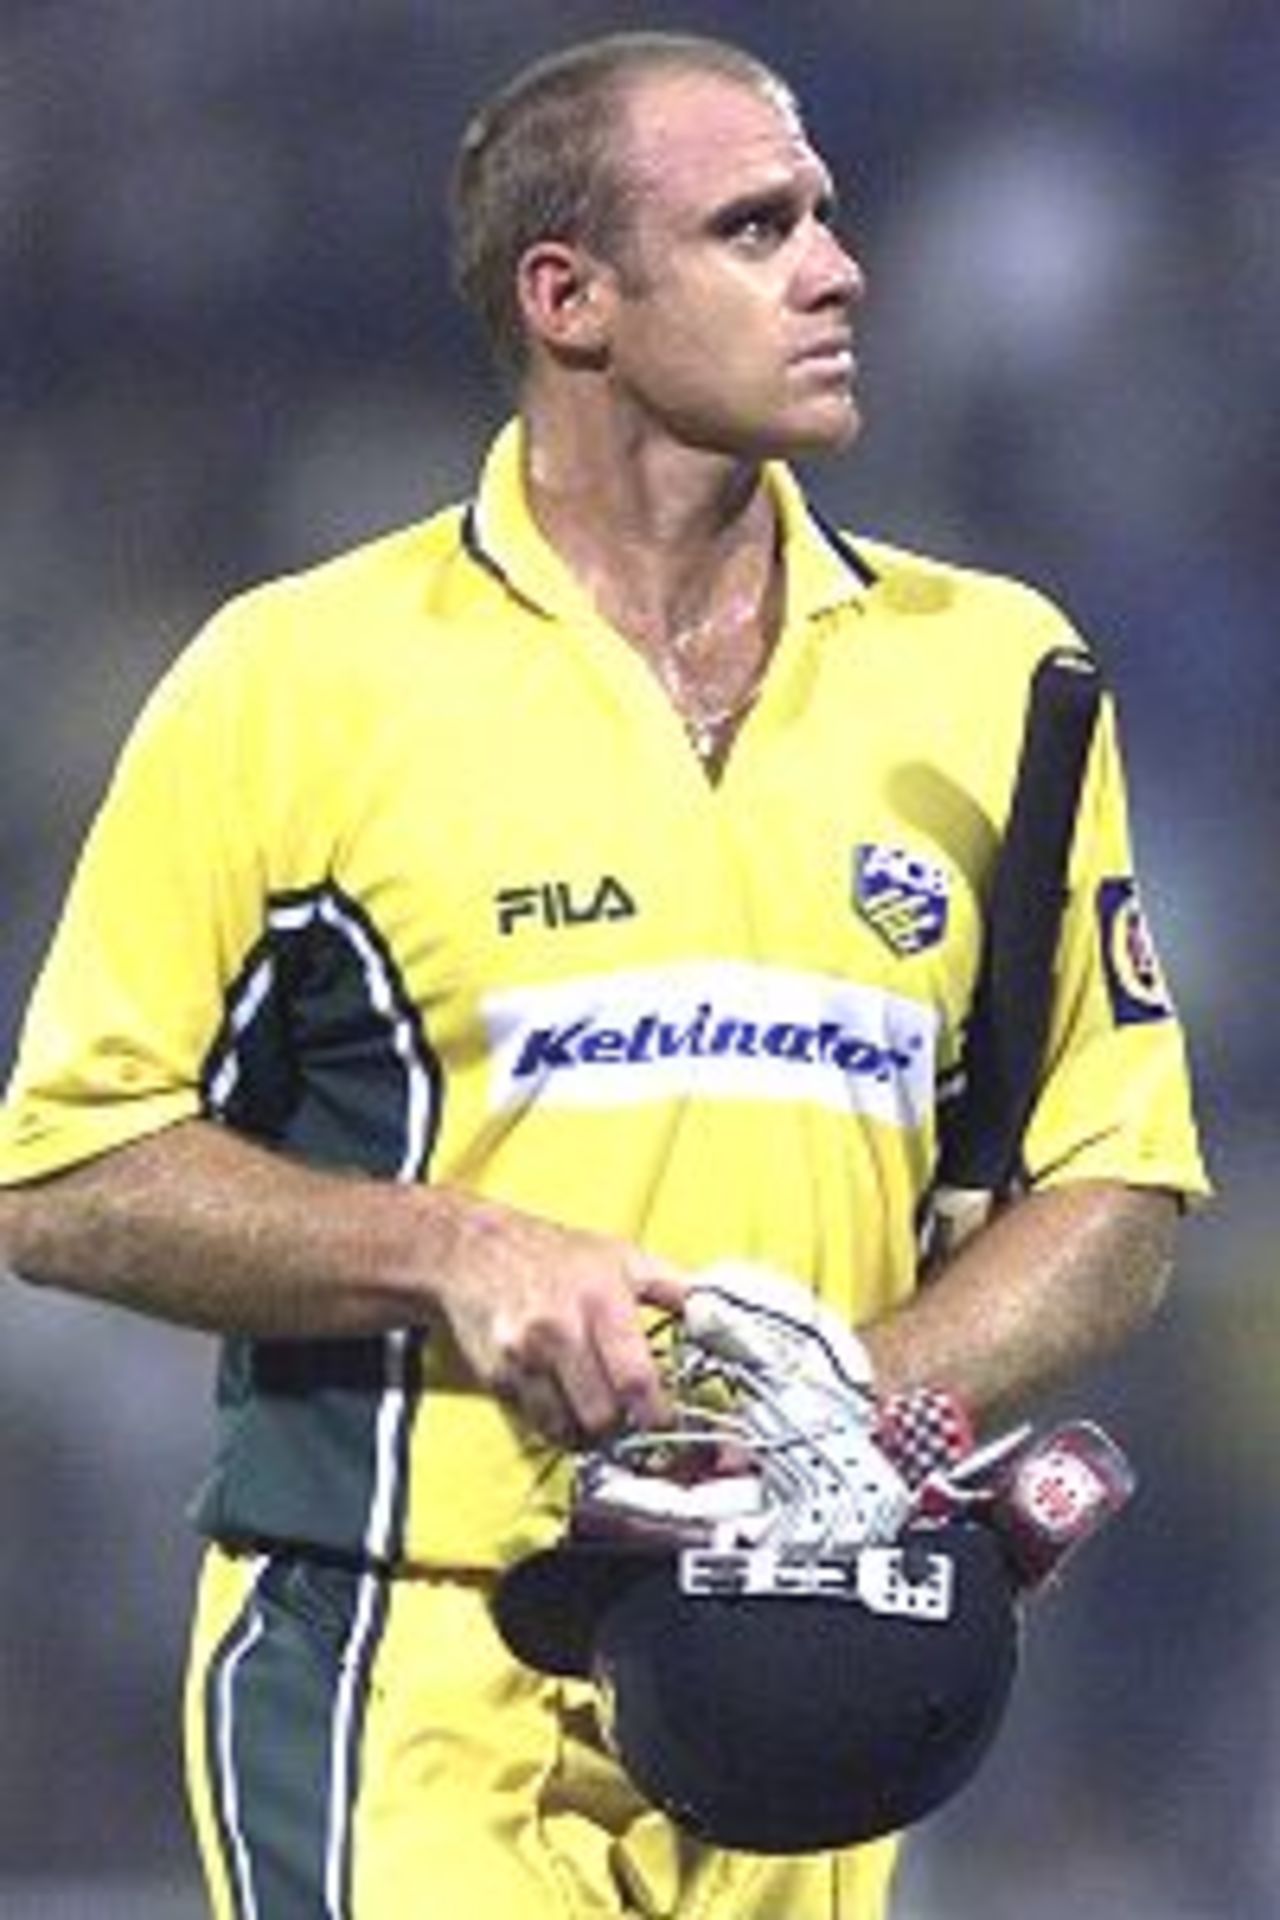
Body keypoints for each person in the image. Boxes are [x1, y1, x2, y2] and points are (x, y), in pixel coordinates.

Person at [0, 29, 1209, 1920]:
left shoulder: (998, 676)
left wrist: (840, 1412)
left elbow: (1120, 1186)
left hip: (796, 1679)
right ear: (570, 299)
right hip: (407, 1663)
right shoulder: (300, 677)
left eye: (825, 216)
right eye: (756, 227)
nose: (839, 267)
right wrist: (457, 1250)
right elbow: (61, 1174)